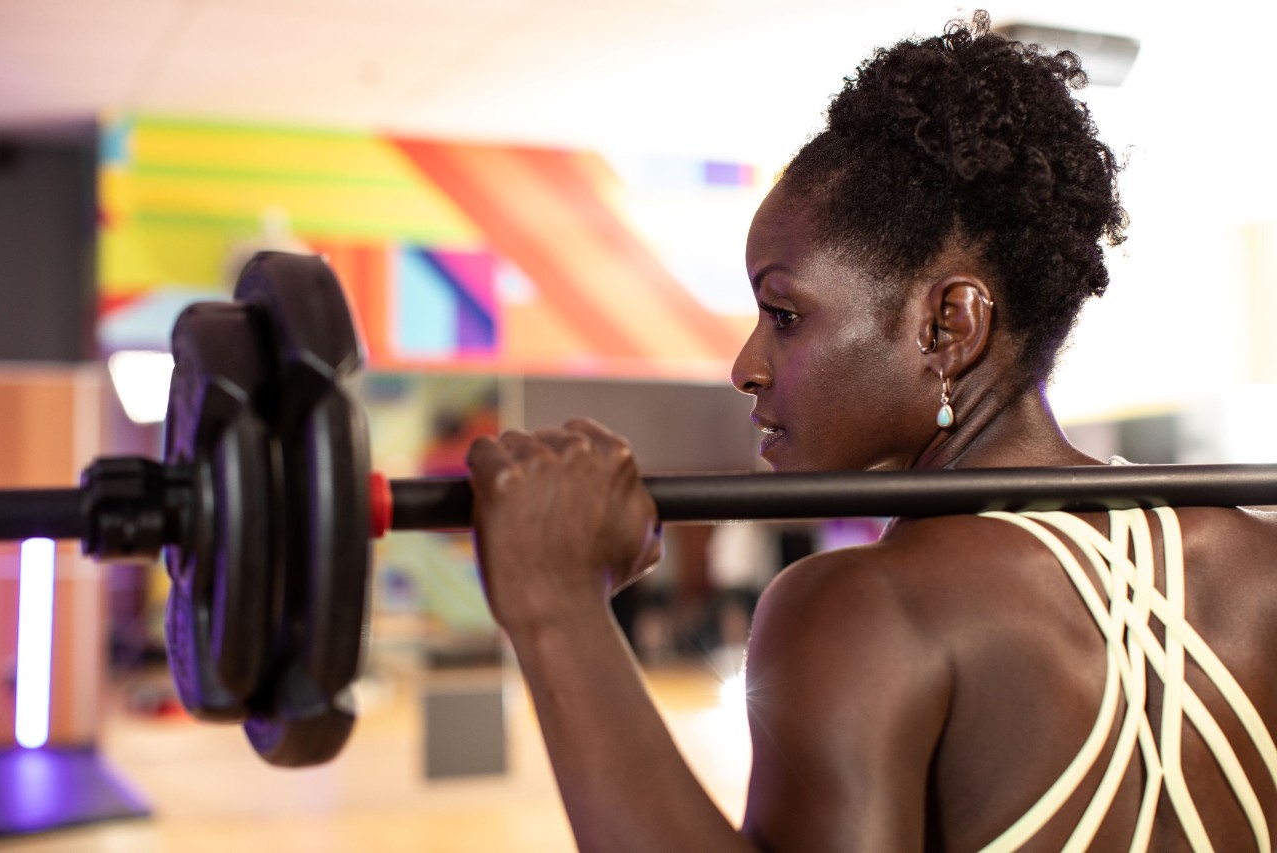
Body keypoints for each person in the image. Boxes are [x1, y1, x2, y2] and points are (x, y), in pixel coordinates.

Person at [465, 12, 1277, 851]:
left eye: (783, 313)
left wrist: (558, 607)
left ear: (949, 326)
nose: (745, 366)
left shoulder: (858, 609)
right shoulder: (1259, 565)